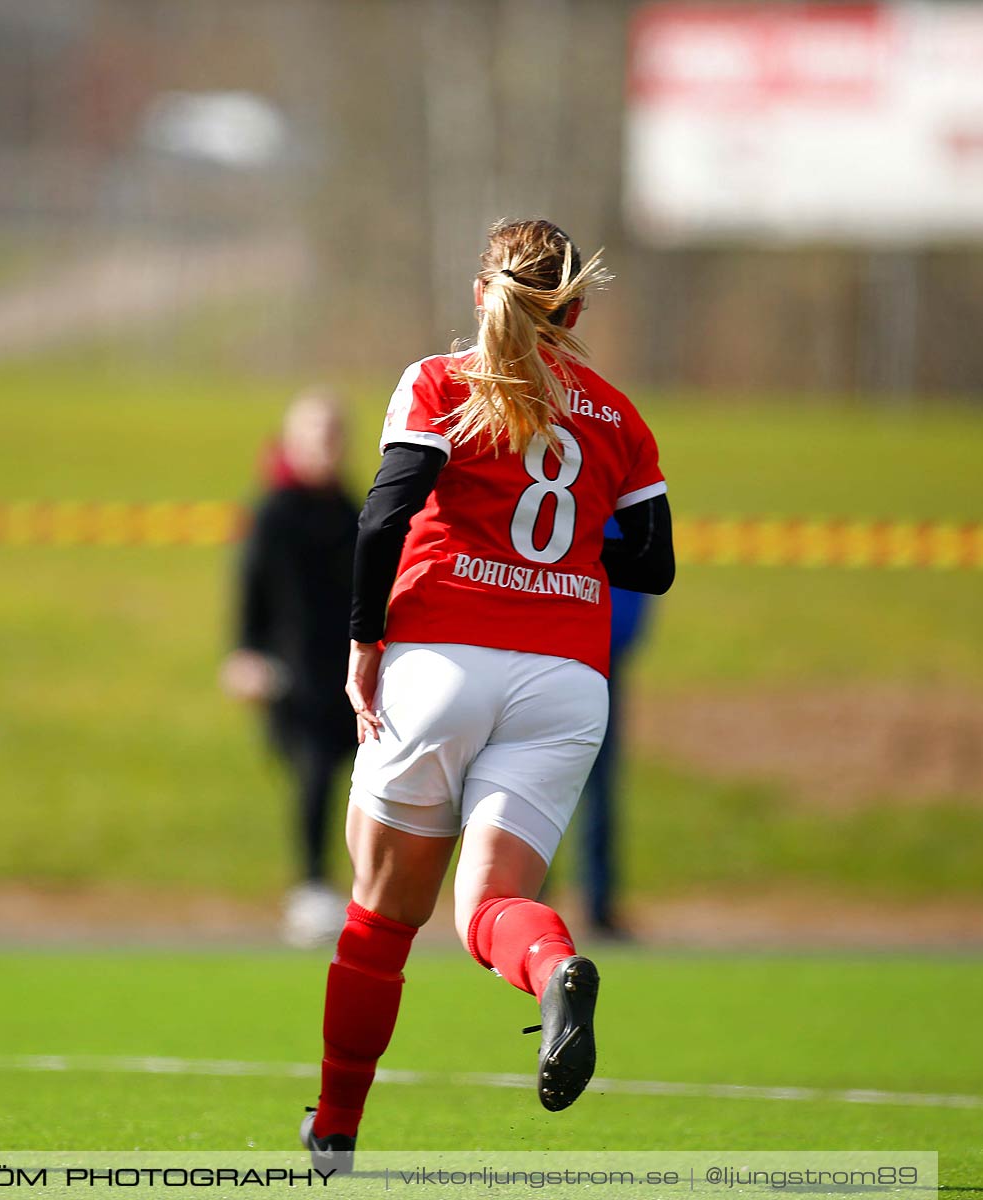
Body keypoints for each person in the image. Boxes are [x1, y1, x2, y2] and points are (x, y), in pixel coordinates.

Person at [301, 219, 674, 1168]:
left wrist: (362, 642)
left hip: (440, 665)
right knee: (490, 909)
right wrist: (565, 553)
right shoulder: (618, 417)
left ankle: (336, 1132)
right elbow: (656, 562)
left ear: (483, 293)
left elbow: (385, 512)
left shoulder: (440, 381)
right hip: (567, 681)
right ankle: (554, 971)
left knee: (382, 915)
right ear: (576, 310)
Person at [222, 393, 358, 947]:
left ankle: (365, 892)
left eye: (333, 434)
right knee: (312, 771)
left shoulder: (354, 509)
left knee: (355, 781)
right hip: (292, 675)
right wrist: (244, 654)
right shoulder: (273, 512)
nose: (325, 446)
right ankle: (311, 887)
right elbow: (249, 590)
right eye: (315, 434)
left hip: (348, 673)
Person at [574, 542, 652, 939]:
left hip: (598, 657)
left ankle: (599, 903)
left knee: (600, 787)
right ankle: (521, 901)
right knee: (530, 780)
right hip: (556, 651)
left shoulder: (615, 501)